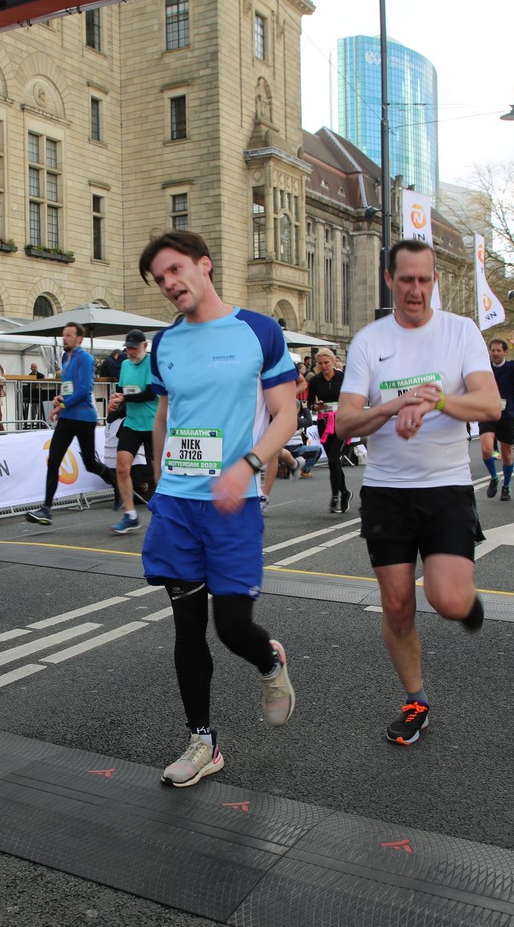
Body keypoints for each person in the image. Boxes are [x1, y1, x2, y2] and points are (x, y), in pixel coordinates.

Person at [137, 230, 297, 788]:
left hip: (234, 503)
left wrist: (247, 466)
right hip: (178, 505)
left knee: (231, 627)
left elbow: (285, 415)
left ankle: (269, 661)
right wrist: (161, 481)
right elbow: (164, 417)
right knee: (186, 629)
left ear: (204, 265)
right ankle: (202, 742)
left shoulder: (259, 330)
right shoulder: (164, 343)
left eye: (176, 269)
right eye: (160, 278)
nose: (169, 283)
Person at [334, 239, 499, 746]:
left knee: (447, 600)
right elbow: (345, 422)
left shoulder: (460, 331)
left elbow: (490, 404)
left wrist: (435, 401)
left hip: (446, 486)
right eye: (406, 279)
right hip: (386, 491)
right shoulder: (370, 341)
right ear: (390, 280)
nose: (416, 289)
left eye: (424, 279)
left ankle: (463, 601)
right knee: (399, 605)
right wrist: (394, 405)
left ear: (435, 281)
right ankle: (415, 700)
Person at [25, 324, 118, 525]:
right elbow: (69, 387)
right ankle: (46, 509)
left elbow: (84, 390)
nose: (64, 338)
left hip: (84, 418)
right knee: (54, 460)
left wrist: (63, 404)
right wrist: (60, 398)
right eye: (63, 335)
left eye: (69, 335)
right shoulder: (64, 358)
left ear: (79, 339)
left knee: (90, 464)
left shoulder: (86, 358)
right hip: (67, 418)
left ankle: (118, 484)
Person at [109, 329, 156, 534]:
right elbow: (120, 392)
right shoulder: (125, 365)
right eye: (128, 348)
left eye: (135, 348)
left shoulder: (152, 362)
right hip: (132, 423)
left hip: (153, 424)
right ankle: (130, 515)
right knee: (121, 467)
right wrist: (114, 402)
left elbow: (150, 393)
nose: (131, 352)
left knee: (159, 473)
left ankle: (166, 515)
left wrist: (124, 398)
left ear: (145, 346)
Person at [478, 334, 514, 501]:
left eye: (498, 350)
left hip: (506, 414)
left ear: (504, 352)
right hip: (487, 412)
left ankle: (506, 486)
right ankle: (494, 477)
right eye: (493, 350)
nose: (495, 353)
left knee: (507, 454)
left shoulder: (511, 366)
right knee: (487, 449)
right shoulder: (484, 367)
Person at [307, 348, 350, 514]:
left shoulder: (343, 377)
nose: (323, 366)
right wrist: (316, 406)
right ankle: (344, 492)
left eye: (326, 363)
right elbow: (310, 403)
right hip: (324, 423)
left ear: (333, 361)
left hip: (341, 421)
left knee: (333, 458)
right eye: (320, 363)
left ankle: (335, 496)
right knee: (334, 462)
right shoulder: (315, 380)